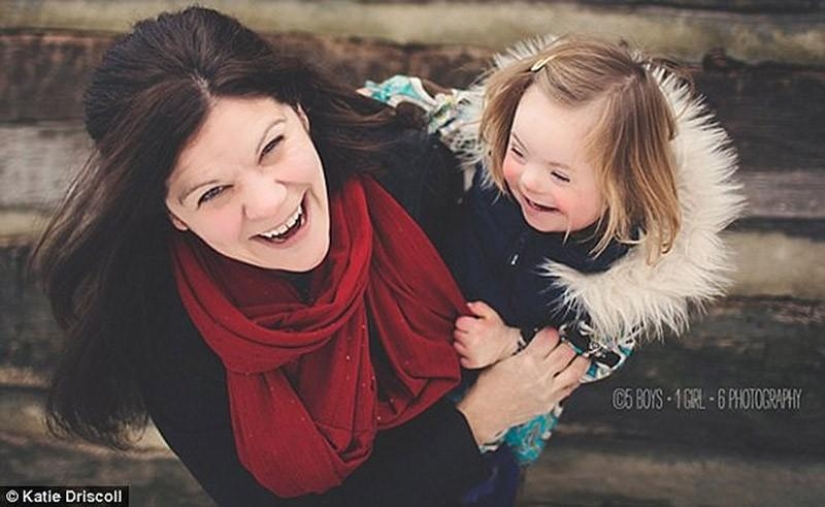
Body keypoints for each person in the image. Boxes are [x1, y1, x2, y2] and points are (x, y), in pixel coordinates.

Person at [29, 8, 591, 506]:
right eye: (213, 192)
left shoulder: (409, 173)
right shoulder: (166, 329)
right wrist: (479, 419)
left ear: (299, 114)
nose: (270, 202)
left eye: (271, 147)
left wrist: (511, 351)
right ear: (172, 212)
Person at [362, 34, 744, 505]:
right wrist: (358, 105)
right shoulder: (488, 153)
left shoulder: (616, 264)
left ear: (624, 186)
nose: (529, 180)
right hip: (412, 351)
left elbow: (592, 354)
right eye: (519, 151)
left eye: (560, 175)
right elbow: (415, 103)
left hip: (501, 413)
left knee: (476, 486)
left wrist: (509, 344)